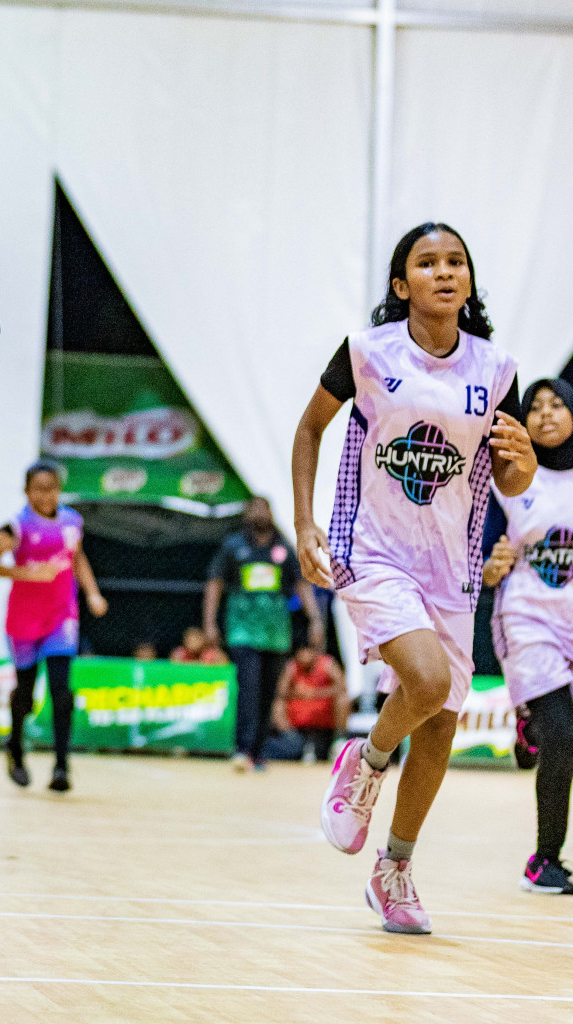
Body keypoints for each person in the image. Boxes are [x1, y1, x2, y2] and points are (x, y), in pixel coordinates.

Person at [292, 222, 532, 933]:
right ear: (402, 284)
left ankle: (394, 869)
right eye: (427, 263)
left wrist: (522, 461)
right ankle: (364, 762)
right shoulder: (368, 353)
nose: (444, 272)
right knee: (425, 682)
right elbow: (310, 430)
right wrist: (304, 523)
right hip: (372, 550)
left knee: (441, 723)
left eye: (456, 261)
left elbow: (511, 478)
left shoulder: (496, 370)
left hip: (451, 566)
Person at [483, 377, 573, 894]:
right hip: (528, 618)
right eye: (535, 406)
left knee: (560, 735)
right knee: (563, 734)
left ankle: (530, 727)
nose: (545, 414)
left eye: (557, 404)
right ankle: (544, 861)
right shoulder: (508, 479)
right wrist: (490, 567)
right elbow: (481, 557)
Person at [0, 462, 106, 791]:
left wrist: (92, 593)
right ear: (27, 491)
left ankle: (61, 766)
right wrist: (27, 573)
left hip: (62, 615)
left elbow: (77, 558)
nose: (45, 494)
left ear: (59, 490)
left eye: (51, 488)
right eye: (38, 488)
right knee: (25, 693)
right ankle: (15, 748)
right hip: (24, 619)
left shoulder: (72, 521)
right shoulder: (16, 527)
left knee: (61, 692)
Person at [205, 496, 324, 771]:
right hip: (243, 629)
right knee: (248, 687)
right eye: (255, 508)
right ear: (247, 513)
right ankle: (242, 750)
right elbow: (214, 582)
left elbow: (302, 584)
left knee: (269, 690)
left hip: (275, 632)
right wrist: (210, 623)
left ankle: (259, 752)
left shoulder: (283, 547)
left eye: (265, 507)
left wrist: (315, 620)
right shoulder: (234, 546)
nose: (260, 513)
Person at [272, 645, 344, 762]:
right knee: (278, 704)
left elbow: (342, 688)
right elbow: (281, 692)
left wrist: (314, 693)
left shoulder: (327, 664)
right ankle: (289, 739)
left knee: (343, 699)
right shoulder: (292, 666)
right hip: (297, 718)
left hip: (323, 715)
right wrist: (297, 692)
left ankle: (339, 738)